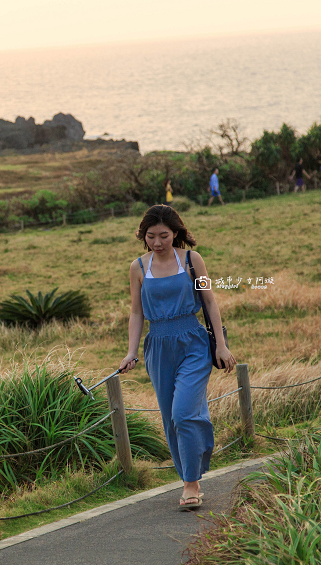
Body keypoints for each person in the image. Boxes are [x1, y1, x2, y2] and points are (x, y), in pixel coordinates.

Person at [118, 205, 236, 510]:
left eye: (164, 235)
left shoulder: (192, 260)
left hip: (193, 342)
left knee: (185, 412)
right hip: (157, 345)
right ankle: (188, 475)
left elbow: (210, 302)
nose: (157, 242)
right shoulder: (137, 268)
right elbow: (135, 312)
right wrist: (131, 352)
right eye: (151, 236)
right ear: (143, 236)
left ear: (176, 233)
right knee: (171, 417)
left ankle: (191, 483)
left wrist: (220, 346)